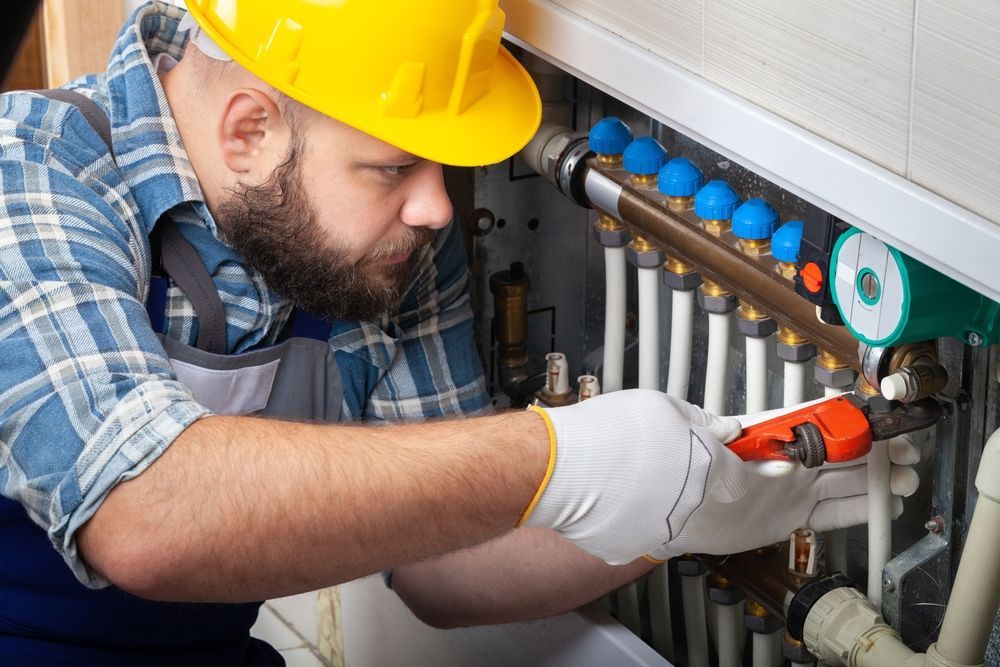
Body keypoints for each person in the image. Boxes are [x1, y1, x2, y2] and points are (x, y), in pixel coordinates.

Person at [0, 1, 919, 664]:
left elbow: (442, 564)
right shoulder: (31, 178)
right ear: (248, 133)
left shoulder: (378, 241)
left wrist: (682, 507)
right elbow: (145, 510)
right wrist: (554, 457)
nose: (437, 206)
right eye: (392, 167)